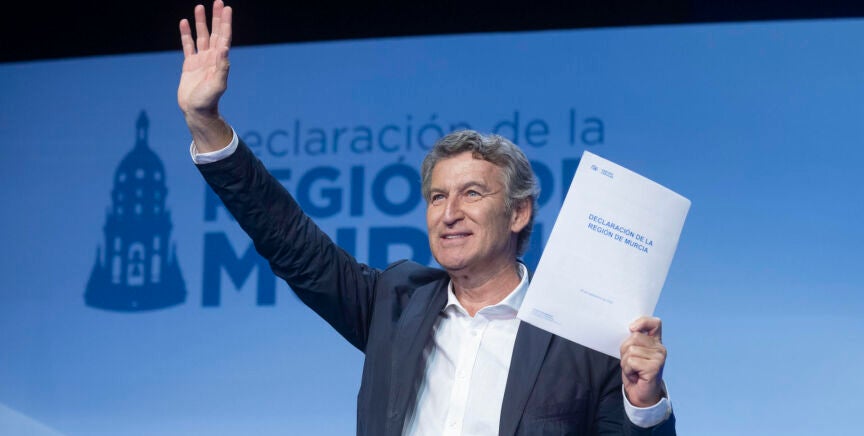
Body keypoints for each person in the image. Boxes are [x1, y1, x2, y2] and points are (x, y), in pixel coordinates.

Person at [178, 2, 676, 435]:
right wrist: (206, 123)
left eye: (472, 193)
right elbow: (290, 241)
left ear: (519, 212)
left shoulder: (582, 338)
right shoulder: (395, 303)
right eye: (437, 197)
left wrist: (644, 403)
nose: (449, 213)